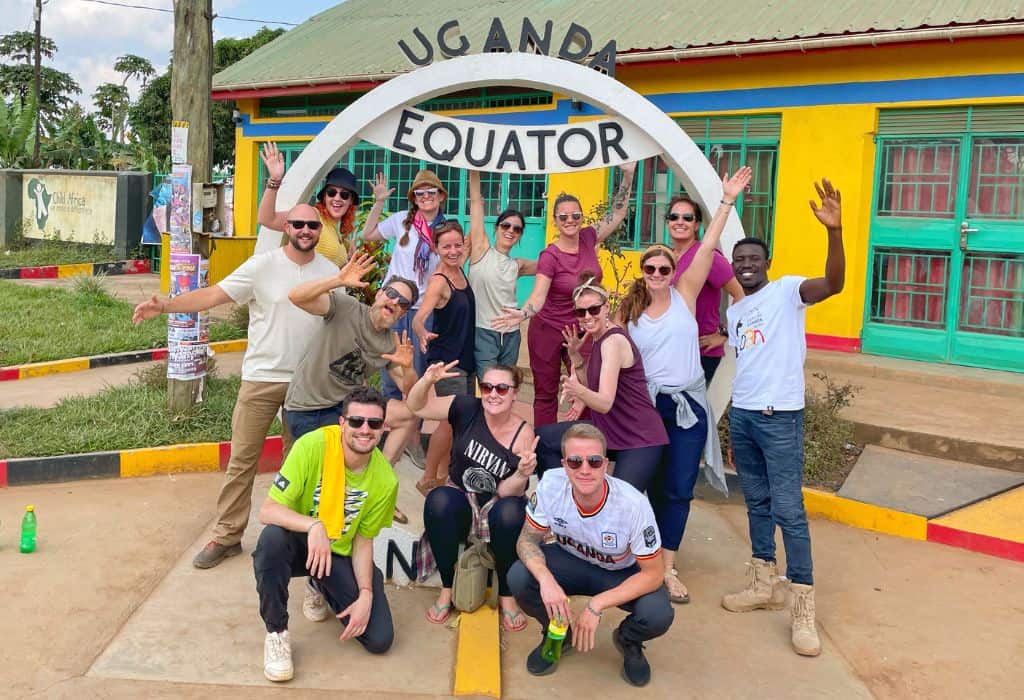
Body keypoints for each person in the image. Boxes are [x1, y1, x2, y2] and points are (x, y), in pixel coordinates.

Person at [131, 204, 338, 569]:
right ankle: (227, 535)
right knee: (242, 459)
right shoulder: (263, 265)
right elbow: (213, 295)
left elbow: (341, 323)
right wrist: (165, 305)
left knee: (300, 464)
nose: (305, 230)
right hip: (262, 377)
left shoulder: (330, 271)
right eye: (298, 224)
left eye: (312, 225)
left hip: (307, 384)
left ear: (319, 229)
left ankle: (291, 535)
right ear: (286, 226)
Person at [721, 178, 846, 658]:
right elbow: (745, 363)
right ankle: (762, 582)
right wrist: (732, 418)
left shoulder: (790, 292)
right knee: (755, 502)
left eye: (754, 259)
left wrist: (834, 232)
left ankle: (802, 607)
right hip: (747, 416)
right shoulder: (737, 312)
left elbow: (834, 283)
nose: (747, 266)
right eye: (740, 261)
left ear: (766, 263)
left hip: (780, 418)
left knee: (790, 511)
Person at [618, 168, 751, 605]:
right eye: (650, 267)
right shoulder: (630, 308)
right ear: (643, 271)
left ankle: (667, 567)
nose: (657, 271)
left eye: (664, 267)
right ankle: (633, 554)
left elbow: (709, 245)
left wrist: (726, 202)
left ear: (675, 270)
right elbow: (606, 348)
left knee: (678, 487)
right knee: (637, 484)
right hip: (643, 410)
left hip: (687, 409)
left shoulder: (685, 295)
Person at [509, 423, 674, 687]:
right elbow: (527, 539)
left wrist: (596, 605)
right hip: (570, 561)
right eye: (575, 461)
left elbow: (654, 574)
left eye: (594, 461)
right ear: (564, 464)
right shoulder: (551, 483)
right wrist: (547, 581)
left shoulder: (633, 504)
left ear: (606, 464)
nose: (584, 469)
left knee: (658, 613)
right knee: (519, 576)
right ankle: (559, 634)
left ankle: (629, 639)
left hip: (618, 573)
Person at [254, 386, 398, 682]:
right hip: (300, 542)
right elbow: (268, 510)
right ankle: (276, 632)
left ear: (383, 428)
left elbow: (363, 541)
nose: (364, 430)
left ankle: (320, 584)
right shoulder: (312, 446)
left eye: (374, 423)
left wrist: (366, 595)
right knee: (271, 542)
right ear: (342, 423)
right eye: (356, 421)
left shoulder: (385, 480)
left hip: (338, 553)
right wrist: (313, 525)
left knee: (379, 639)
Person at [493, 163, 635, 427]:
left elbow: (617, 213)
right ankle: (546, 450)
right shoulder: (550, 256)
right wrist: (523, 313)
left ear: (581, 218)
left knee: (587, 389)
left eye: (575, 216)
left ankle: (582, 445)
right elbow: (538, 295)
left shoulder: (589, 238)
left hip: (584, 331)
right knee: (546, 393)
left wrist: (628, 175)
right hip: (548, 330)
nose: (570, 221)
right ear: (555, 221)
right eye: (563, 217)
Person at [407, 361, 538, 631]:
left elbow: (506, 491)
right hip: (461, 495)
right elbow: (416, 407)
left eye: (502, 389)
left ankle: (507, 596)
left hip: (497, 502)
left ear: (514, 393)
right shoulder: (466, 407)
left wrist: (523, 474)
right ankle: (446, 587)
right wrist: (427, 381)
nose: (493, 394)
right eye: (487, 386)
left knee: (512, 511)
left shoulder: (523, 432)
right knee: (438, 500)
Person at [535, 275, 667, 492]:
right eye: (580, 312)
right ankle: (560, 501)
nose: (587, 316)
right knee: (544, 440)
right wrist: (576, 357)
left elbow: (604, 402)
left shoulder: (613, 341)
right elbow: (594, 387)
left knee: (621, 503)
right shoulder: (599, 338)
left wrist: (577, 390)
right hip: (610, 430)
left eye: (594, 310)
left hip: (639, 437)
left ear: (606, 308)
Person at [361, 170, 448, 409]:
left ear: (441, 196)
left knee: (415, 372)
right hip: (394, 306)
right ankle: (388, 426)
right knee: (390, 368)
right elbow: (366, 234)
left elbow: (450, 265)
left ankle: (412, 434)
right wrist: (379, 203)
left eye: (431, 192)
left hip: (423, 310)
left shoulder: (447, 227)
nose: (426, 196)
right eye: (420, 193)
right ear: (414, 197)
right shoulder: (401, 220)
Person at [409, 220, 476, 494]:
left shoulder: (461, 270)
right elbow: (419, 318)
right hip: (446, 362)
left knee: (457, 423)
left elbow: (476, 225)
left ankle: (442, 476)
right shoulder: (439, 281)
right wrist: (422, 332)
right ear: (436, 249)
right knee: (448, 422)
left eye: (457, 245)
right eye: (446, 246)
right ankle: (427, 478)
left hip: (465, 359)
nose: (453, 250)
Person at [664, 194, 745, 384]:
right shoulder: (666, 257)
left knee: (687, 410)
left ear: (697, 225)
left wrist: (725, 334)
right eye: (674, 217)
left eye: (687, 218)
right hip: (670, 348)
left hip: (700, 352)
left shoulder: (709, 257)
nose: (680, 222)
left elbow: (741, 295)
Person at [466, 169, 536, 378]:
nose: (510, 231)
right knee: (488, 383)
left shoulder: (518, 265)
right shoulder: (481, 250)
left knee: (505, 385)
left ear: (520, 235)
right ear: (496, 228)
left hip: (511, 335)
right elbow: (476, 203)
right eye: (506, 225)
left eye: (517, 229)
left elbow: (552, 265)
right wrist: (473, 169)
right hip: (484, 332)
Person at [257, 143, 360, 267]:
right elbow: (267, 219)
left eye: (344, 195)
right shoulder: (313, 217)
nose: (337, 198)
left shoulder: (337, 231)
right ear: (324, 196)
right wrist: (274, 180)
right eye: (332, 193)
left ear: (350, 201)